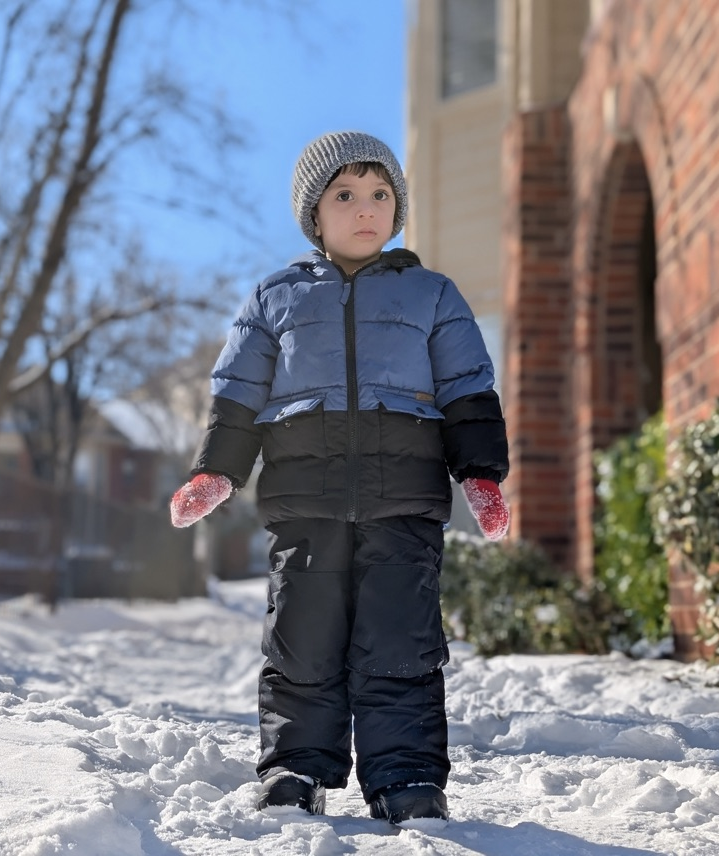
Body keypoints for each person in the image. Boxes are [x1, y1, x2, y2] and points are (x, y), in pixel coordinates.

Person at [170, 131, 509, 826]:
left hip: (405, 500)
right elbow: (237, 392)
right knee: (302, 638)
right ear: (313, 214)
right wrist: (217, 469)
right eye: (346, 195)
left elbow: (468, 388)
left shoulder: (432, 295)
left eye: (380, 194)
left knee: (402, 644)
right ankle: (295, 766)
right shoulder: (276, 299)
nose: (366, 209)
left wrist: (480, 474)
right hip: (305, 502)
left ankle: (408, 776)